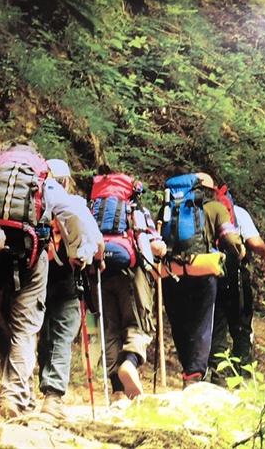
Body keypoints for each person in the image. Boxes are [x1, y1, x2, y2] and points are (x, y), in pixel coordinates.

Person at [0, 140, 102, 419]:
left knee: (4, 327)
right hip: (32, 260)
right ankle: (14, 396)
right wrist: (76, 251)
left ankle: (15, 391)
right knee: (25, 330)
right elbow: (73, 215)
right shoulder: (43, 180)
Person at [88, 168, 166, 403]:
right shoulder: (135, 209)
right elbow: (154, 245)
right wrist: (161, 247)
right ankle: (129, 363)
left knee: (109, 330)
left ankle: (117, 392)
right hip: (131, 275)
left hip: (98, 274)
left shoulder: (91, 208)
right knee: (138, 324)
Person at [162, 172, 245, 388]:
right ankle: (194, 374)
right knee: (202, 322)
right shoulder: (217, 208)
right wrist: (238, 252)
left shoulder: (169, 208)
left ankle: (189, 369)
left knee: (180, 323)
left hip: (172, 273)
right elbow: (229, 238)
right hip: (202, 271)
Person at [37, 159, 105, 420]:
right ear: (65, 181)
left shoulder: (35, 198)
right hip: (67, 276)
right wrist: (96, 259)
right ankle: (52, 398)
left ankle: (26, 393)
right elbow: (97, 241)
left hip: (36, 273)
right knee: (62, 335)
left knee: (42, 334)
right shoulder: (73, 203)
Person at [209, 204, 265, 386]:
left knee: (216, 327)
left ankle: (216, 379)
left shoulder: (196, 209)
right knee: (242, 327)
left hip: (205, 273)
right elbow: (254, 243)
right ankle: (243, 378)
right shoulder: (235, 211)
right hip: (234, 273)